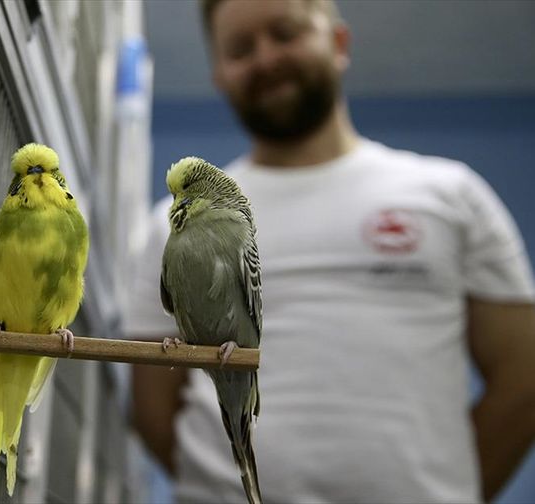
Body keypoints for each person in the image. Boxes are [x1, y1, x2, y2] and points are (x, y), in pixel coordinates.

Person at [126, 0, 535, 502]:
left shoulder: (450, 194)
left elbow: (525, 376)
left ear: (339, 42)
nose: (266, 58)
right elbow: (152, 407)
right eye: (240, 49)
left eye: (285, 33)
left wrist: (449, 491)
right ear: (219, 76)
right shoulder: (166, 229)